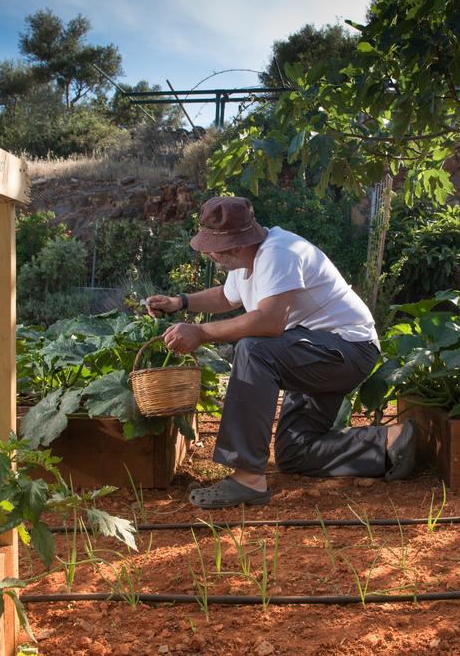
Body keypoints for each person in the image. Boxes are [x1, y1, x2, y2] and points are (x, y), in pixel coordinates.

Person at [146, 196, 416, 509]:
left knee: (255, 349)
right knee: (295, 451)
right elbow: (226, 297)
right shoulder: (247, 259)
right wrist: (180, 302)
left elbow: (269, 322)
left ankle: (247, 477)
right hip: (312, 352)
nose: (208, 253)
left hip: (346, 350)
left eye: (212, 246)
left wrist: (201, 332)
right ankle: (391, 442)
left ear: (236, 244)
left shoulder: (279, 253)